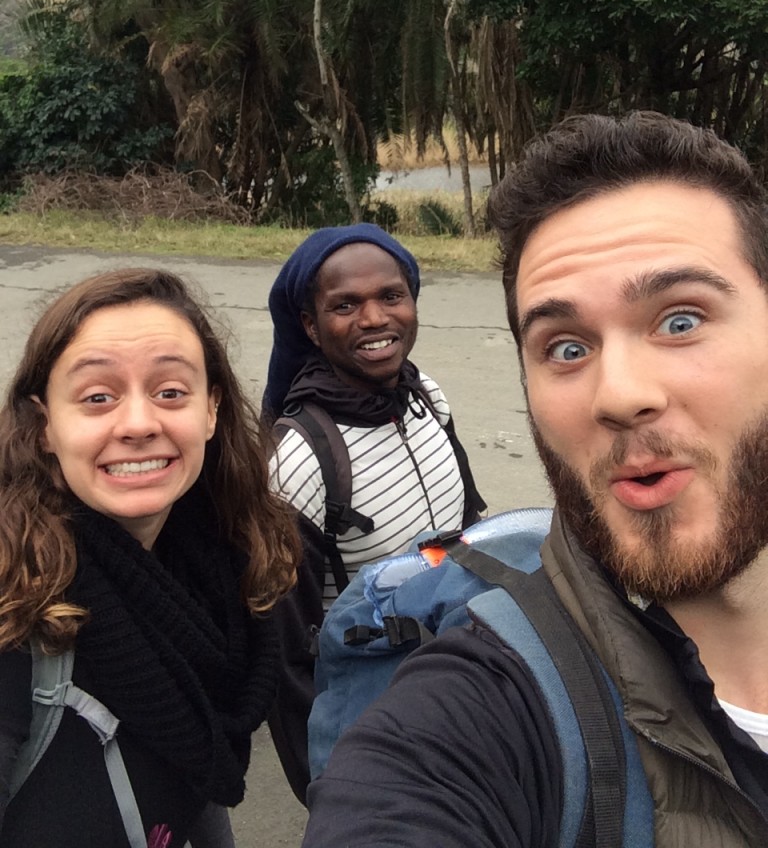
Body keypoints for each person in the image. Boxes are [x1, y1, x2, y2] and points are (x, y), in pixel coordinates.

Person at [301, 112, 768, 847]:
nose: (617, 395)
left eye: (680, 321)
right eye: (567, 346)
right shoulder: (474, 714)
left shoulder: (428, 400)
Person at [0, 268, 301, 848]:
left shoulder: (223, 574)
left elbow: (198, 770)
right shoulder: (16, 614)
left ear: (211, 410)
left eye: (170, 392)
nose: (139, 424)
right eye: (97, 398)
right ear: (44, 427)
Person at [264, 222, 486, 801]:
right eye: (345, 305)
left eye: (391, 296)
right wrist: (325, 782)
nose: (374, 319)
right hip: (373, 701)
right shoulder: (302, 461)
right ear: (310, 326)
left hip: (458, 671)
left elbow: (469, 521)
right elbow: (287, 653)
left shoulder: (426, 396)